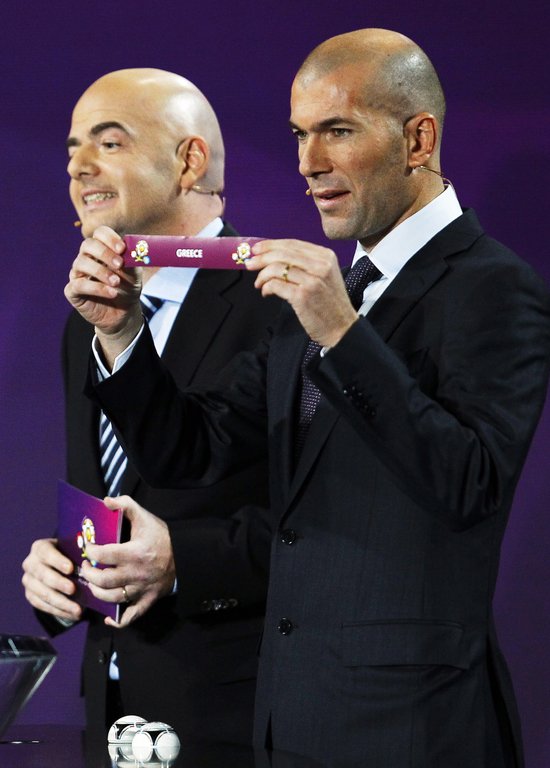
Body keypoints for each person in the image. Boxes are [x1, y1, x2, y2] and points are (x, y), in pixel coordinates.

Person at [62, 31, 550, 767]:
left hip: (413, 730)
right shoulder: (325, 294)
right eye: (299, 135)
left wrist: (343, 336)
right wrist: (124, 334)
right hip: (289, 722)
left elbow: (469, 485)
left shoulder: (493, 286)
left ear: (419, 140)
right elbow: (193, 451)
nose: (308, 163)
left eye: (338, 131)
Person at [21, 68, 280, 746]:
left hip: (235, 713)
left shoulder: (283, 306)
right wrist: (64, 572)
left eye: (108, 143)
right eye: (73, 148)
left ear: (189, 162)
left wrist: (181, 562)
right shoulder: (86, 322)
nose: (78, 166)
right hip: (113, 708)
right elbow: (115, 494)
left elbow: (326, 533)